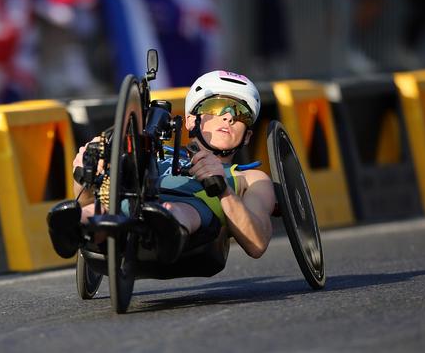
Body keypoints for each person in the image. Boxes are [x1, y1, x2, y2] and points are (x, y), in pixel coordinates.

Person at [72, 70, 275, 260]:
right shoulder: (150, 148)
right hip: (129, 200)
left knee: (175, 210)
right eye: (214, 106)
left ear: (247, 136)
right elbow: (85, 199)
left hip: (187, 213)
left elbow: (257, 244)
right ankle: (75, 226)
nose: (228, 116)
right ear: (190, 121)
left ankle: (161, 226)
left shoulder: (251, 178)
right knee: (96, 209)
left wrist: (223, 188)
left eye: (240, 113)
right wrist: (88, 172)